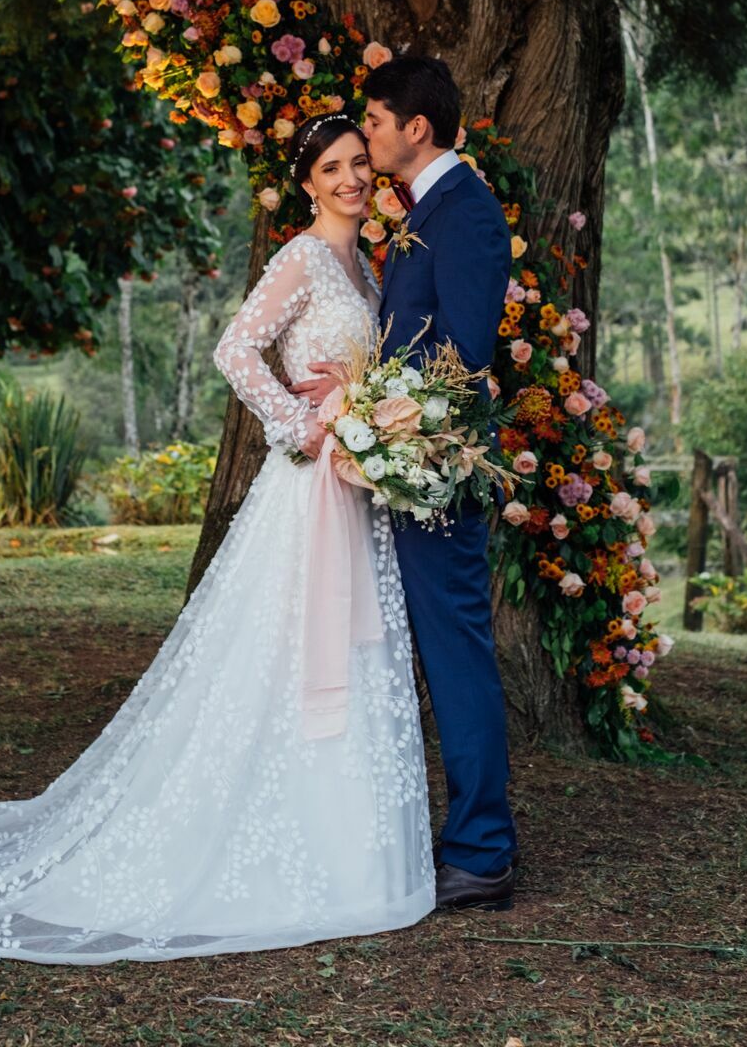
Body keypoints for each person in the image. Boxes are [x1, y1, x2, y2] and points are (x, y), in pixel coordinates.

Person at [0, 113, 435, 965]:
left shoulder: (365, 266)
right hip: (305, 490)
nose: (353, 178)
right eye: (333, 167)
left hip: (354, 497)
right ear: (307, 182)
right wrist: (304, 426)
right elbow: (234, 350)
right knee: (278, 654)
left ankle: (349, 848)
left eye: (360, 163)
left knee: (345, 654)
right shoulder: (301, 258)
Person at [293, 56, 519, 912]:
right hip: (405, 466)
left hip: (437, 472)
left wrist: (378, 413)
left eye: (376, 124)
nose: (370, 136)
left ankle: (482, 851)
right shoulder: (428, 210)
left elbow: (464, 352)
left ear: (413, 128)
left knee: (455, 654)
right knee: (429, 651)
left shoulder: (462, 213)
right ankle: (458, 836)